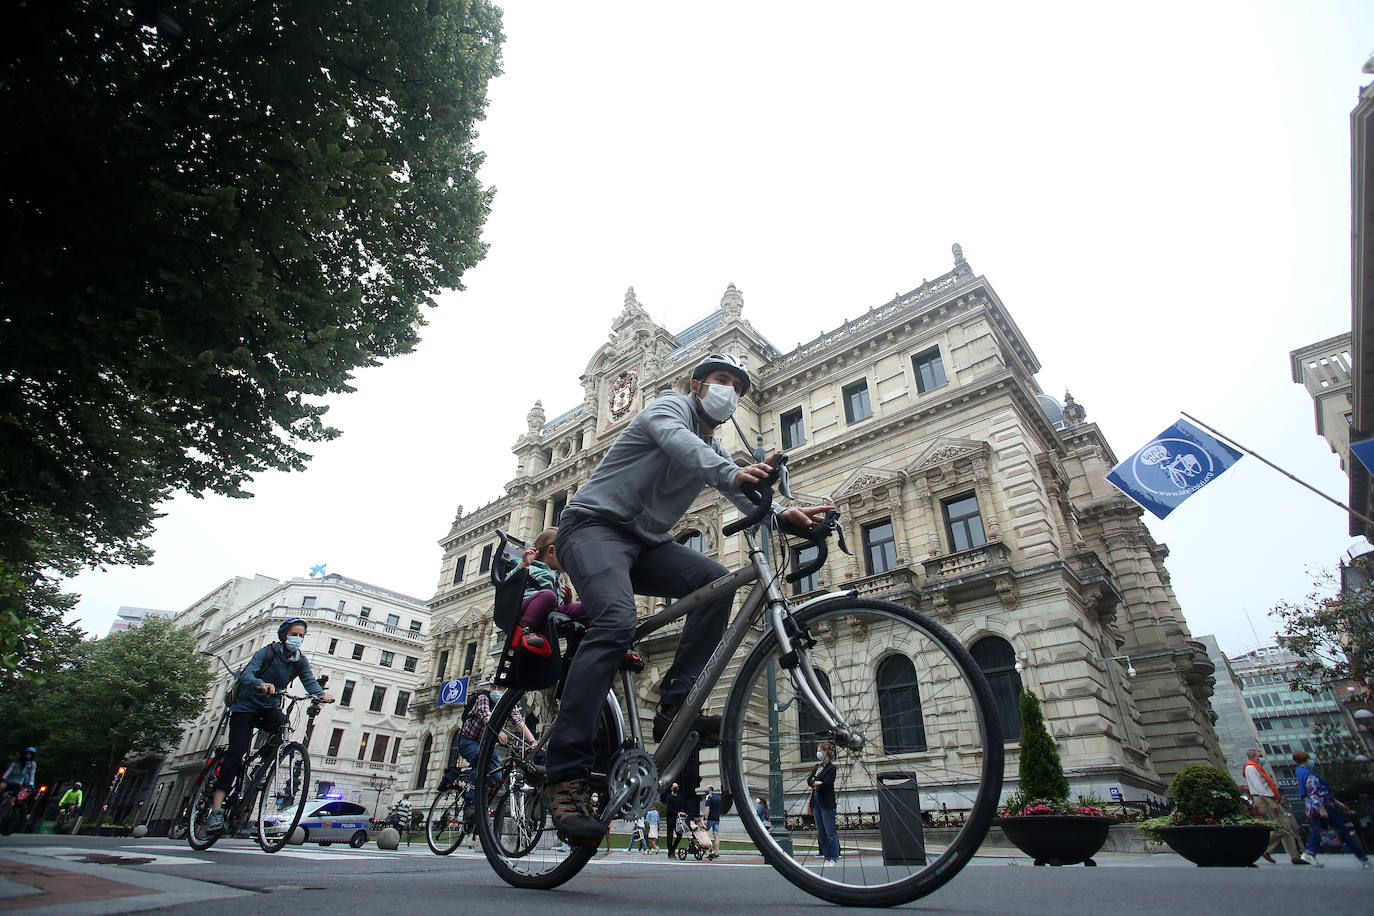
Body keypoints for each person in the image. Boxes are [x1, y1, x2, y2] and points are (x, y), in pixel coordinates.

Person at [541, 353, 833, 843]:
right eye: (723, 381)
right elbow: (686, 449)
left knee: (716, 582)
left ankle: (676, 703)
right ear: (696, 386)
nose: (731, 394)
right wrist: (732, 474)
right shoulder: (667, 409)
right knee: (615, 619)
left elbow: (741, 494)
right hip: (591, 528)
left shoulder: (710, 448)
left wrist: (786, 515)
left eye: (739, 389)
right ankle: (565, 771)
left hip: (645, 544)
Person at [207, 618, 333, 834]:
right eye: (295, 634)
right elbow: (247, 674)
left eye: (302, 636)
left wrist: (321, 695)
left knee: (284, 726)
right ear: (285, 635)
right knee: (235, 755)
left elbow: (309, 680)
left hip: (269, 707)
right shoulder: (267, 653)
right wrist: (261, 683)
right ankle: (216, 812)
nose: (298, 639)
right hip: (245, 707)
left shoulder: (299, 660)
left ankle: (263, 765)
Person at [507, 527, 585, 656]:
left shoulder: (555, 578)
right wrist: (523, 565)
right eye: (566, 554)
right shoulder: (528, 567)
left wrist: (567, 602)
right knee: (548, 596)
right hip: (525, 608)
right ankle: (526, 630)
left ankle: (594, 637)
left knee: (586, 606)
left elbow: (557, 603)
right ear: (551, 551)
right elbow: (507, 583)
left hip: (551, 609)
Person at [1293, 750, 1370, 868]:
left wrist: (1338, 804)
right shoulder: (1308, 774)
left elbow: (1319, 793)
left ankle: (1309, 853)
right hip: (1323, 807)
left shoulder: (1301, 772)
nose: (1311, 762)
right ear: (1305, 760)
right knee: (1343, 831)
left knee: (1318, 830)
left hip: (1315, 807)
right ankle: (1363, 858)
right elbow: (1315, 793)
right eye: (1309, 759)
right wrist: (1322, 808)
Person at [1242, 749, 1303, 865]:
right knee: (1282, 828)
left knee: (1286, 828)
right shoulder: (1251, 768)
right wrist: (1270, 801)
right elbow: (1258, 787)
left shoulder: (1258, 768)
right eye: (1259, 756)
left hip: (1270, 798)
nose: (1261, 758)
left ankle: (1295, 856)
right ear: (1253, 756)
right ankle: (1261, 849)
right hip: (1265, 799)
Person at [456, 688, 536, 773]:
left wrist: (533, 742)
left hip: (486, 743)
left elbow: (520, 724)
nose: (499, 690)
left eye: (503, 688)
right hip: (468, 741)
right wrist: (499, 732)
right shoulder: (483, 697)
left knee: (496, 773)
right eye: (496, 687)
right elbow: (487, 719)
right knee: (482, 763)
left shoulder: (509, 703)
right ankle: (473, 784)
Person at [810, 742, 840, 866]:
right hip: (816, 801)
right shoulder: (817, 767)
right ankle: (827, 857)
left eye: (819, 750)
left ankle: (834, 858)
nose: (818, 753)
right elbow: (809, 780)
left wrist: (815, 783)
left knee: (830, 832)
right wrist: (816, 783)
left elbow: (827, 784)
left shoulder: (831, 768)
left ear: (825, 752)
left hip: (826, 802)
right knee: (821, 832)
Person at [665, 783, 687, 859]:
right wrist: (677, 813)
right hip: (670, 818)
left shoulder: (679, 798)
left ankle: (672, 849)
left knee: (679, 835)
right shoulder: (669, 797)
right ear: (671, 788)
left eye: (676, 787)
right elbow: (669, 808)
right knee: (670, 836)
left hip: (678, 820)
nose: (675, 788)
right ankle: (670, 852)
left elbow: (682, 807)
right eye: (674, 787)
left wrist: (682, 813)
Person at [702, 785, 722, 859]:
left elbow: (707, 808)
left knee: (706, 833)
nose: (705, 790)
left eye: (706, 789)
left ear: (709, 789)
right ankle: (717, 852)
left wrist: (706, 818)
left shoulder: (708, 797)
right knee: (716, 835)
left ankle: (709, 850)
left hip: (710, 818)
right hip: (716, 818)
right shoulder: (717, 797)